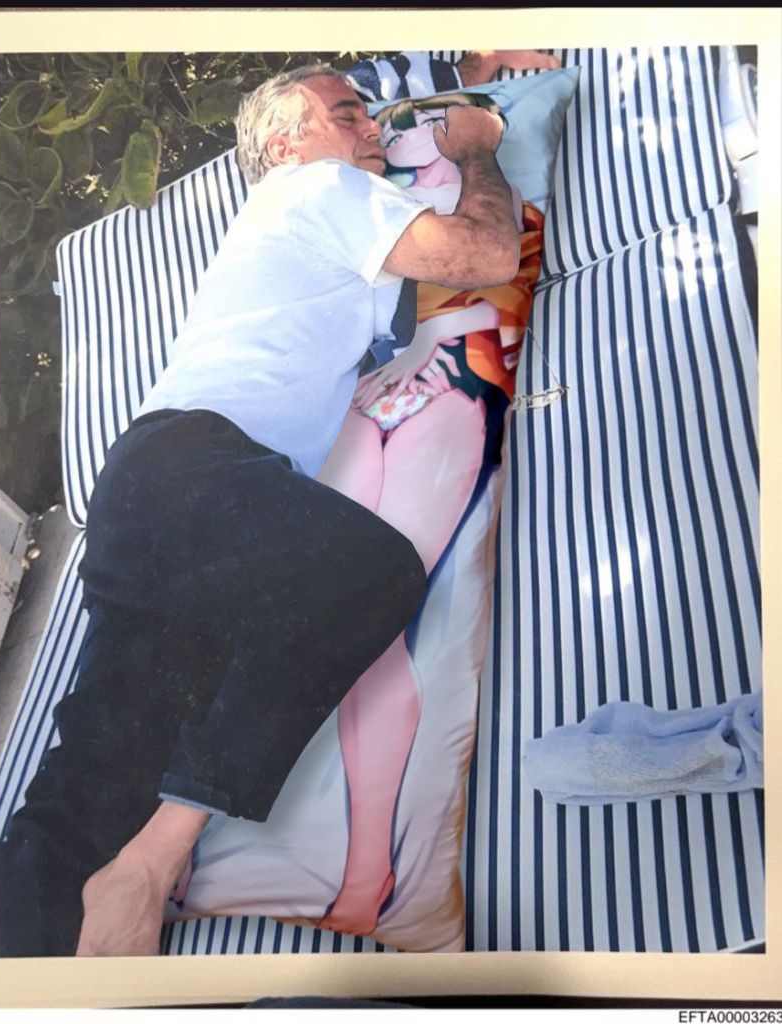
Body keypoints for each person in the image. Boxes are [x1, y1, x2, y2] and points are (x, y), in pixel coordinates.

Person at [0, 60, 521, 958]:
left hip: (150, 491)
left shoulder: (307, 220)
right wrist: (476, 149)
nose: (372, 128)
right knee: (365, 572)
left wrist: (472, 81)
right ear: (282, 144)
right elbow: (485, 255)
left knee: (92, 779)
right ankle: (153, 861)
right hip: (196, 467)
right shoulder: (316, 187)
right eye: (346, 113)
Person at [312, 90, 546, 936]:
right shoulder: (368, 218)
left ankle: (368, 871)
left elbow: (496, 283)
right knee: (311, 618)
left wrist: (423, 345)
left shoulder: (490, 203)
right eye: (387, 121)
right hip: (361, 400)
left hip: (450, 382)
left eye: (421, 119)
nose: (397, 130)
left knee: (380, 635)